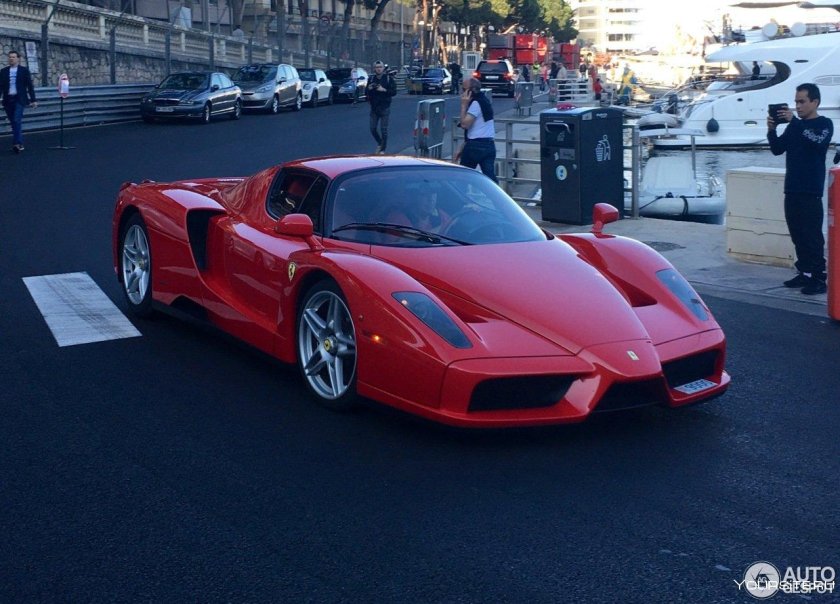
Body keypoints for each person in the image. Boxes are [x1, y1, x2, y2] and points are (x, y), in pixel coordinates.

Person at [767, 82, 833, 295]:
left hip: (810, 190)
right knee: (797, 234)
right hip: (792, 188)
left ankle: (819, 277)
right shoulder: (794, 126)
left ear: (815, 102)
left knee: (811, 235)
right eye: (796, 102)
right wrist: (771, 130)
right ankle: (804, 272)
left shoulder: (824, 124)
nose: (798, 106)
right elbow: (777, 149)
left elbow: (816, 142)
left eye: (802, 102)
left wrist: (794, 122)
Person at [458, 77, 497, 182]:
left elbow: (465, 124)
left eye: (463, 89)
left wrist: (463, 105)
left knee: (463, 177)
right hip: (489, 145)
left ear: (470, 91)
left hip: (475, 146)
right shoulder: (484, 101)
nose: (462, 93)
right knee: (490, 179)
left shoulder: (476, 103)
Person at [1, 50, 38, 153]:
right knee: (13, 122)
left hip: (19, 99)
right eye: (10, 57)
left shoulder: (24, 71)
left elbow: (29, 86)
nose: (11, 59)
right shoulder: (3, 71)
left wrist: (33, 100)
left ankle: (17, 143)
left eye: (13, 57)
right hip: (8, 99)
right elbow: (0, 86)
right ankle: (18, 142)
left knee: (17, 119)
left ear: (18, 59)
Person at [367, 60, 397, 154]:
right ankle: (380, 143)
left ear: (383, 68)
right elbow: (366, 93)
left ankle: (383, 149)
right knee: (372, 128)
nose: (379, 69)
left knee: (384, 130)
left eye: (380, 67)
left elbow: (394, 92)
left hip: (385, 107)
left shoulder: (388, 79)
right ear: (374, 69)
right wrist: (369, 88)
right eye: (377, 67)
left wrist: (383, 89)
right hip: (374, 108)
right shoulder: (371, 79)